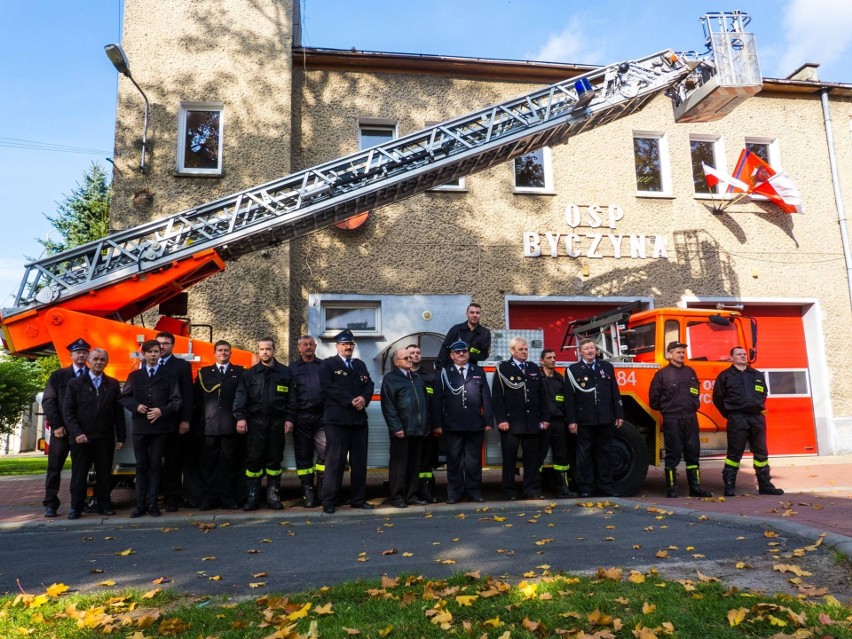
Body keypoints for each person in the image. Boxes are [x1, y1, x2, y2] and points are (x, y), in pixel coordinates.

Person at [119, 339, 182, 518]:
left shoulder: (169, 375)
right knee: (141, 466)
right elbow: (124, 397)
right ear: (143, 354)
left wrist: (162, 411)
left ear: (160, 354)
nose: (153, 355)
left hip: (160, 428)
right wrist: (135, 406)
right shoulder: (134, 376)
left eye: (156, 351)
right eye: (150, 352)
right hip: (140, 427)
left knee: (155, 465)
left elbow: (177, 401)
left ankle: (153, 504)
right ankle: (140, 505)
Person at [233, 337, 298, 511]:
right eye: (261, 349)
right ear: (258, 351)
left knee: (275, 459)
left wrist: (290, 418)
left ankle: (273, 495)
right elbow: (240, 397)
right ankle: (253, 496)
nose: (265, 352)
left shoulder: (285, 373)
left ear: (274, 350)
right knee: (253, 460)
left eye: (268, 349)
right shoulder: (249, 374)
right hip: (255, 422)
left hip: (277, 422)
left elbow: (292, 399)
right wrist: (240, 417)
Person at [61, 348, 125, 519]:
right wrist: (76, 433)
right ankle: (76, 507)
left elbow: (118, 412)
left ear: (107, 362)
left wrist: (121, 436)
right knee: (79, 474)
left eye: (102, 359)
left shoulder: (112, 384)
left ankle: (104, 505)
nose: (98, 362)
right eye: (95, 359)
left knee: (104, 473)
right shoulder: (75, 384)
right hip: (82, 438)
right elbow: (68, 411)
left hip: (104, 437)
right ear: (89, 361)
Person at [713, 346, 784, 497]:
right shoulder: (725, 376)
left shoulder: (756, 375)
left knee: (761, 453)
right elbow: (718, 398)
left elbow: (763, 392)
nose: (743, 356)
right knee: (734, 453)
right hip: (737, 418)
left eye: (744, 354)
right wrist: (730, 414)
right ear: (731, 357)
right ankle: (730, 486)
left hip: (756, 418)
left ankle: (765, 484)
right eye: (739, 354)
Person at [319, 329, 375, 514]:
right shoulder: (328, 364)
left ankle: (358, 499)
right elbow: (328, 387)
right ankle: (329, 500)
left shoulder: (359, 364)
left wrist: (364, 399)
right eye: (344, 344)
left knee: (359, 463)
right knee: (335, 462)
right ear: (337, 346)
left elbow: (370, 384)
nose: (348, 347)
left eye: (350, 344)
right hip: (337, 421)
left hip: (358, 421)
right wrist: (351, 400)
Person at [431, 340, 493, 504]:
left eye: (464, 351)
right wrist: (437, 424)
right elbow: (437, 400)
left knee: (473, 461)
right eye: (457, 352)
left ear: (468, 353)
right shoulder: (444, 373)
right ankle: (454, 493)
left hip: (474, 424)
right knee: (454, 461)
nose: (461, 354)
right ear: (451, 355)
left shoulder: (478, 371)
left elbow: (486, 397)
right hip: (453, 424)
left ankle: (474, 492)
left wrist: (488, 420)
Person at [649, 341, 712, 498]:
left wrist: (694, 405)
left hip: (690, 418)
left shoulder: (690, 372)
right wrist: (668, 409)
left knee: (693, 453)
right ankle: (671, 488)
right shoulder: (662, 375)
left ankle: (695, 487)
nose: (682, 355)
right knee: (673, 453)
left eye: (683, 352)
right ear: (669, 355)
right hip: (672, 418)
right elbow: (654, 400)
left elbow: (695, 392)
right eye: (678, 352)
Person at [565, 338, 624, 498]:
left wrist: (619, 414)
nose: (590, 351)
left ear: (596, 350)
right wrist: (572, 420)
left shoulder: (607, 367)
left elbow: (615, 392)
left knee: (605, 453)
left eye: (592, 348)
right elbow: (569, 398)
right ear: (580, 352)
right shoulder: (573, 370)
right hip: (584, 420)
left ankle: (606, 487)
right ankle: (586, 487)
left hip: (604, 418)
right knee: (584, 455)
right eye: (586, 348)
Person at [492, 337, 549, 500]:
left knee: (532, 460)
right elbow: (497, 397)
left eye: (525, 349)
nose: (524, 352)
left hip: (531, 422)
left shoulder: (532, 368)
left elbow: (542, 396)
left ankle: (532, 490)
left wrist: (544, 418)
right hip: (511, 423)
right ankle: (509, 491)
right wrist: (502, 419)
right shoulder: (503, 368)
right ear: (512, 351)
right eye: (520, 349)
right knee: (509, 460)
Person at [41, 337, 90, 517]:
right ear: (71, 355)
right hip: (62, 431)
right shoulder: (58, 376)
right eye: (78, 352)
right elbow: (49, 401)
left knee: (81, 470)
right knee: (54, 468)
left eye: (84, 352)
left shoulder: (93, 376)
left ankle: (78, 503)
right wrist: (56, 425)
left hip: (82, 431)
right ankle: (50, 503)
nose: (81, 355)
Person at [193, 340, 245, 510]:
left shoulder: (239, 372)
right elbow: (197, 400)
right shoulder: (205, 372)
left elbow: (243, 398)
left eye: (226, 350)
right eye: (220, 350)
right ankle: (209, 497)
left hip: (230, 426)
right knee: (208, 465)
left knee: (228, 464)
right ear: (214, 353)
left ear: (231, 353)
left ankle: (227, 497)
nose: (223, 353)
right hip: (209, 426)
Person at [381, 348, 430, 508]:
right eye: (405, 357)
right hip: (401, 430)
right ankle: (397, 497)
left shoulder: (416, 378)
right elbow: (388, 406)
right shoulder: (390, 379)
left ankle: (411, 495)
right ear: (396, 362)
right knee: (399, 466)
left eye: (410, 357)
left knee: (414, 465)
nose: (410, 359)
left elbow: (424, 403)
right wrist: (396, 428)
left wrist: (425, 425)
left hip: (417, 430)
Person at [290, 335, 326, 508]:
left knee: (325, 452)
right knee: (303, 457)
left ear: (315, 346)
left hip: (322, 418)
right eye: (305, 344)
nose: (308, 347)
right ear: (299, 348)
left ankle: (323, 490)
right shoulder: (292, 368)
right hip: (302, 417)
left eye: (311, 344)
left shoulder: (324, 366)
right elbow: (290, 396)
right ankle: (307, 491)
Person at [538, 348, 576, 498]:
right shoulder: (538, 379)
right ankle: (537, 488)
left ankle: (563, 488)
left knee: (561, 457)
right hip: (542, 424)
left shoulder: (560, 379)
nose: (553, 360)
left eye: (554, 357)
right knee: (538, 456)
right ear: (542, 361)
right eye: (549, 357)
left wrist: (570, 420)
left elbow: (568, 402)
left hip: (559, 423)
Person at [408, 343, 439, 503]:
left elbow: (436, 403)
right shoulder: (402, 375)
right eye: (412, 352)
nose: (415, 355)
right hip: (409, 428)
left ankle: (426, 491)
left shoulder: (430, 376)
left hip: (427, 428)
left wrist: (436, 425)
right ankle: (411, 492)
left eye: (418, 352)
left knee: (426, 463)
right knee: (411, 461)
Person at [435, 303, 491, 369]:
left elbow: (483, 357)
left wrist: (468, 354)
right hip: (453, 370)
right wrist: (439, 369)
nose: (475, 315)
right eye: (472, 312)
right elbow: (444, 350)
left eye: (477, 313)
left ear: (480, 315)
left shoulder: (485, 333)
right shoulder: (456, 330)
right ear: (467, 314)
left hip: (474, 371)